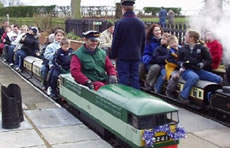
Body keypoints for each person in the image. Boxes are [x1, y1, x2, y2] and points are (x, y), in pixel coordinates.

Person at [177, 30, 223, 104]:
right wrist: (181, 64)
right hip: (186, 70)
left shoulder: (202, 48)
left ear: (191, 38)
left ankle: (216, 99)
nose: (184, 37)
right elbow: (178, 60)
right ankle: (183, 96)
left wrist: (202, 64)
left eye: (186, 36)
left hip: (198, 70)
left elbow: (209, 59)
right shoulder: (183, 48)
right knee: (194, 77)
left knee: (218, 79)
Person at [111, 0, 146, 89]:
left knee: (123, 78)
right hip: (136, 56)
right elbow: (143, 41)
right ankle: (135, 98)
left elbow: (116, 41)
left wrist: (113, 55)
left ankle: (123, 99)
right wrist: (140, 54)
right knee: (135, 78)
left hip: (123, 56)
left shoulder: (121, 23)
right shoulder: (141, 23)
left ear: (123, 9)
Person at [140, 24, 163, 89]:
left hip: (162, 61)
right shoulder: (149, 42)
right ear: (152, 32)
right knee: (156, 67)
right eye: (156, 31)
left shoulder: (164, 40)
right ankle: (148, 84)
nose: (158, 32)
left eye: (159, 30)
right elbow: (145, 54)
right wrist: (152, 60)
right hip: (151, 62)